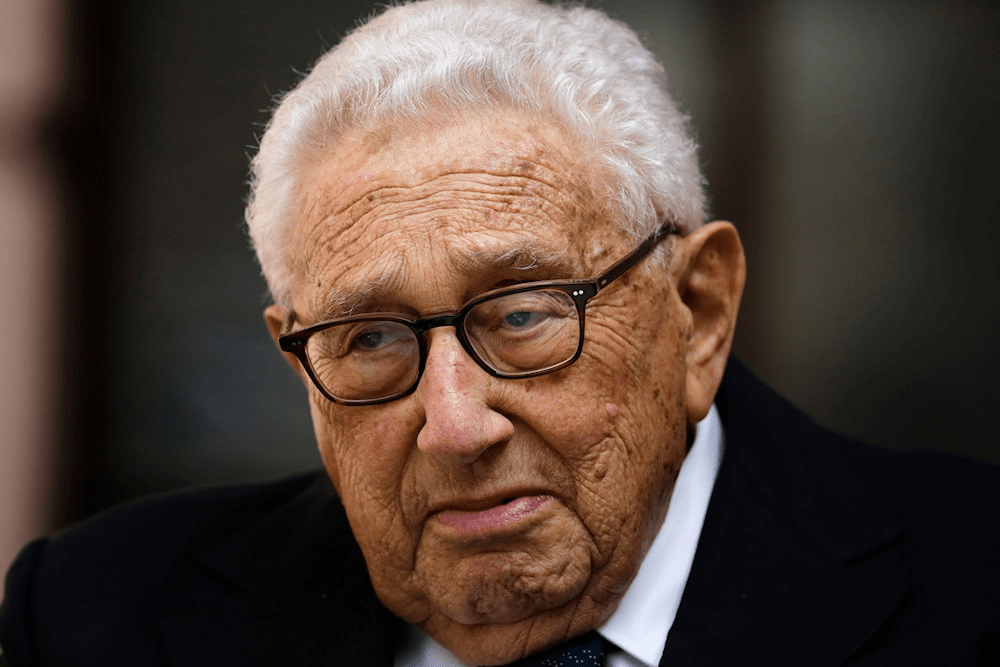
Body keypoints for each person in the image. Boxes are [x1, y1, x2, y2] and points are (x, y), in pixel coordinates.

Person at [1, 1, 998, 665]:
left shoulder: (976, 588)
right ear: (299, 359)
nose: (453, 425)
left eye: (523, 314)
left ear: (696, 312)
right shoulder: (97, 618)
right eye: (371, 338)